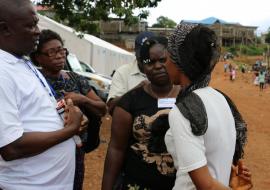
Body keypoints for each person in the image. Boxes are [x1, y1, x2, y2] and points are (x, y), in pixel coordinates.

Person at [0, 0, 84, 189]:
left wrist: (67, 114)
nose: (38, 31)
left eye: (36, 23)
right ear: (5, 29)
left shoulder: (21, 60)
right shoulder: (2, 71)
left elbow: (34, 113)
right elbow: (11, 147)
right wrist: (71, 129)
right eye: (30, 25)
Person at [164, 23, 252, 190]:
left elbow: (207, 186)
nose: (164, 64)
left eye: (168, 57)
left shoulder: (184, 110)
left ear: (179, 60)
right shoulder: (221, 98)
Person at [30, 29, 107, 190]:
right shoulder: (33, 81)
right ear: (38, 57)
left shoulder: (75, 79)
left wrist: (83, 99)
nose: (59, 56)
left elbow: (102, 109)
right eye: (52, 52)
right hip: (44, 149)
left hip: (75, 149)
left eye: (61, 50)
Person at [102, 36, 181, 190]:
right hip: (137, 184)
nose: (157, 66)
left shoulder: (189, 97)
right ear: (143, 68)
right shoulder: (129, 102)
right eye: (149, 62)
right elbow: (116, 149)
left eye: (163, 60)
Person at [106, 31, 155, 115]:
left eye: (149, 56)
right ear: (135, 52)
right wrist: (136, 90)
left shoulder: (167, 71)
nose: (145, 60)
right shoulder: (123, 72)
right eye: (141, 56)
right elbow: (111, 106)